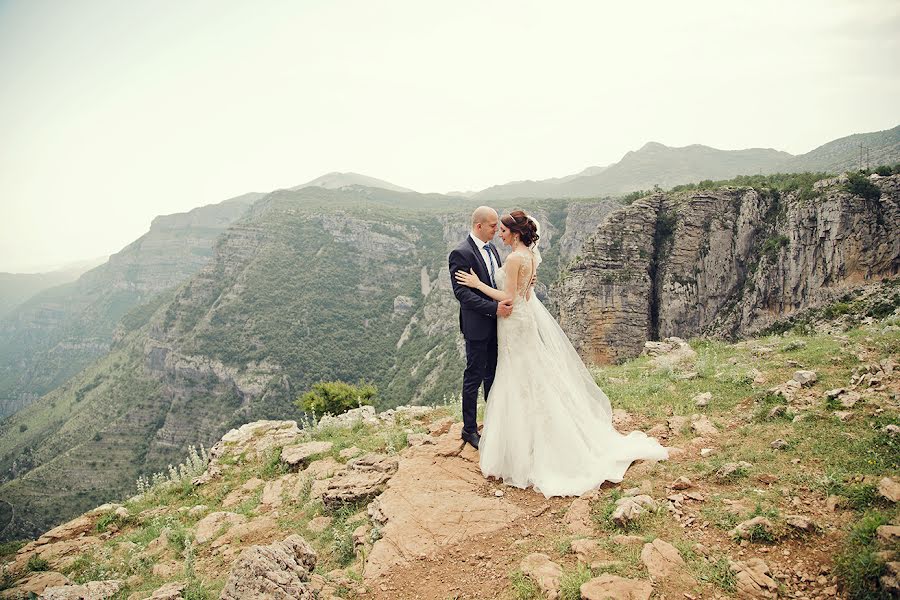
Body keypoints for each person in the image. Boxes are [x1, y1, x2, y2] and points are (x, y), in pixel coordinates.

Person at [453, 209, 669, 497]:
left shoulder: (515, 257)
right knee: (515, 374)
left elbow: (509, 296)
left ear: (514, 233)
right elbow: (525, 293)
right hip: (515, 320)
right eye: (495, 228)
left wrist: (479, 285)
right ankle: (495, 431)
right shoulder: (525, 256)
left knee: (516, 375)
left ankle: (523, 442)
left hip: (512, 321)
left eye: (502, 229)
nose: (498, 233)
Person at [448, 206, 513, 451]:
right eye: (493, 225)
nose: (497, 230)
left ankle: (494, 423)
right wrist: (493, 308)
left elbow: (497, 281)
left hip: (498, 326)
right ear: (479, 226)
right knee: (473, 377)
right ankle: (469, 429)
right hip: (477, 327)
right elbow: (462, 294)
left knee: (493, 376)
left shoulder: (493, 249)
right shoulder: (460, 253)